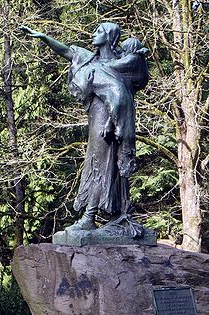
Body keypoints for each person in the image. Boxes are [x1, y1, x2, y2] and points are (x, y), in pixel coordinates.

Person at [21, 23, 149, 232]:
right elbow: (67, 51)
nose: (93, 34)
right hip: (96, 121)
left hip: (110, 126)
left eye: (99, 32)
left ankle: (90, 218)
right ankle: (115, 214)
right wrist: (44, 37)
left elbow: (122, 97)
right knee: (100, 165)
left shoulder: (121, 64)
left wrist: (111, 123)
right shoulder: (91, 60)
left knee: (101, 167)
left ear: (110, 37)